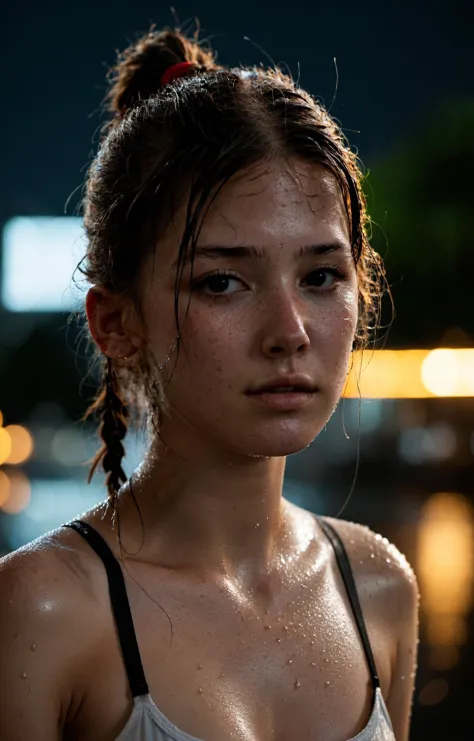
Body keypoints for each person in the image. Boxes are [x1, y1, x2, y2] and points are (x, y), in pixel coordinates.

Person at [0, 26, 419, 741]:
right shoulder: (44, 609)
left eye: (321, 276)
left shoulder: (379, 587)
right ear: (116, 321)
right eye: (221, 281)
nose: (289, 329)